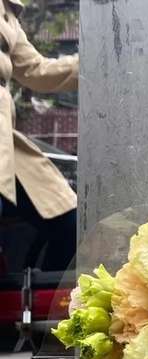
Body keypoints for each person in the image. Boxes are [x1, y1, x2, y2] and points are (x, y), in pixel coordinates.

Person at [0, 0, 79, 272]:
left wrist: (94, 62)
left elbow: (35, 71)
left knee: (68, 219)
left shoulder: (8, 12)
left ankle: (43, 307)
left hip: (5, 144)